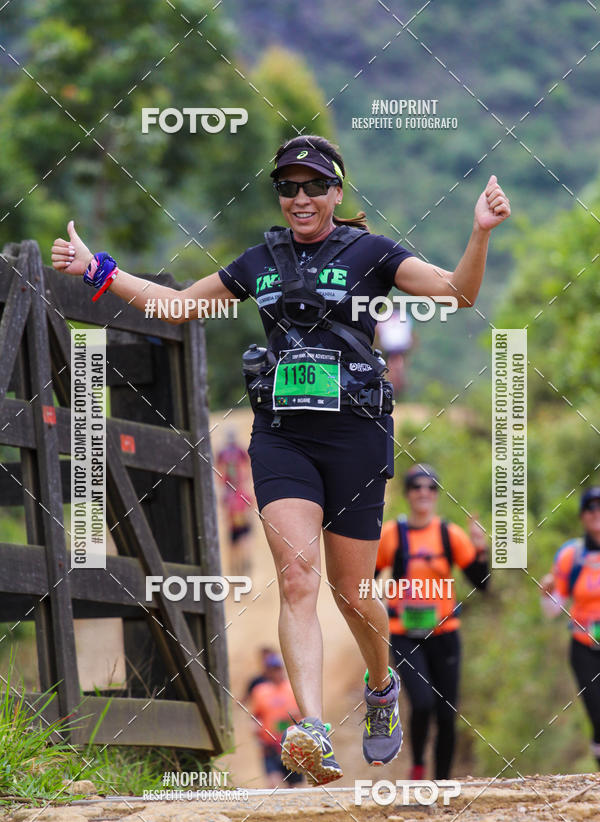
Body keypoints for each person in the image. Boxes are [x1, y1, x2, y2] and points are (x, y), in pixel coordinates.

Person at [51, 134, 510, 784]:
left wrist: (480, 232)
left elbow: (456, 295)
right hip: (283, 438)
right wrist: (100, 269)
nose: (300, 198)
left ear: (336, 192)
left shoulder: (371, 254)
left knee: (352, 593)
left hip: (356, 436)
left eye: (313, 186)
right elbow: (181, 307)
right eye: (288, 187)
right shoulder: (261, 260)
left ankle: (381, 689)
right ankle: (313, 729)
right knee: (298, 579)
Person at [375, 464, 490, 780]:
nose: (424, 493)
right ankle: (417, 766)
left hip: (444, 633)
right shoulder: (391, 535)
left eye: (431, 487)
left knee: (447, 713)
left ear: (437, 494)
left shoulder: (449, 534)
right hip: (404, 633)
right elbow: (366, 577)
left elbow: (482, 583)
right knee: (422, 703)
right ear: (408, 493)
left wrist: (481, 549)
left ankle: (441, 782)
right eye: (417, 487)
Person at [539, 486, 600, 770]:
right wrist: (547, 593)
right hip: (584, 647)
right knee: (597, 712)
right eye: (590, 508)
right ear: (582, 516)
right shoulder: (571, 556)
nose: (596, 513)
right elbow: (553, 611)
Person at [248, 653, 304, 787]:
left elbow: (304, 713)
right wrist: (256, 733)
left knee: (294, 787)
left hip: (292, 745)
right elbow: (255, 716)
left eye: (278, 668)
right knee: (273, 784)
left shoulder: (293, 688)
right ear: (267, 671)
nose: (276, 672)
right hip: (270, 747)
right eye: (272, 669)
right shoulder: (260, 691)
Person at [216, 429, 254, 576]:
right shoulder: (240, 452)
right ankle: (243, 564)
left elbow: (220, 475)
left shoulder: (223, 454)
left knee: (233, 537)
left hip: (230, 498)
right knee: (244, 533)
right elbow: (246, 471)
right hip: (241, 496)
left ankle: (236, 569)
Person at [376, 309, 415, 397]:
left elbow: (377, 331)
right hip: (401, 346)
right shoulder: (405, 316)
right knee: (398, 366)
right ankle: (396, 387)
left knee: (392, 367)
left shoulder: (382, 316)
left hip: (389, 346)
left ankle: (393, 387)